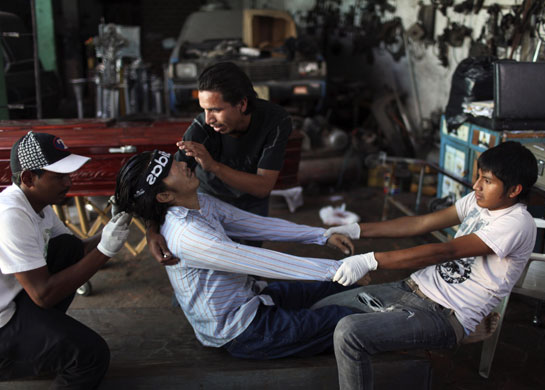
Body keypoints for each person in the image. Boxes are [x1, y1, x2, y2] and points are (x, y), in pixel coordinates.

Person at [316, 141, 538, 390]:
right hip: (411, 288)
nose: (476, 186)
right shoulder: (478, 202)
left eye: (487, 180)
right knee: (321, 311)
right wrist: (357, 229)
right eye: (478, 177)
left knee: (349, 333)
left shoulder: (518, 222)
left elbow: (446, 250)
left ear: (514, 190)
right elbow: (420, 223)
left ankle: (468, 329)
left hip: (446, 314)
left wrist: (371, 260)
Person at [115, 150, 363, 359]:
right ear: (165, 196)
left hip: (254, 297)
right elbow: (262, 262)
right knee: (351, 320)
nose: (182, 164)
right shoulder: (187, 235)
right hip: (242, 330)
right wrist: (338, 270)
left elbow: (257, 225)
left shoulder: (198, 202)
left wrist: (322, 235)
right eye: (171, 169)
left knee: (338, 287)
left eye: (174, 159)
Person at [0, 131, 131, 389]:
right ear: (28, 178)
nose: (68, 182)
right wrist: (106, 250)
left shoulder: (38, 203)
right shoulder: (11, 214)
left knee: (67, 247)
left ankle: (42, 344)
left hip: (14, 304)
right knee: (91, 355)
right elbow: (43, 295)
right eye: (59, 176)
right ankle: (22, 356)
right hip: (3, 324)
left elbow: (77, 252)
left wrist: (113, 226)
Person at [149, 61, 293, 263]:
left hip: (252, 203)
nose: (209, 119)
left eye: (216, 110)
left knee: (249, 265)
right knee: (216, 265)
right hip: (208, 199)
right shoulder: (201, 129)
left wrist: (213, 166)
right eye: (204, 109)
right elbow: (165, 182)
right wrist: (152, 231)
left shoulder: (275, 121)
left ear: (242, 104)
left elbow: (263, 187)